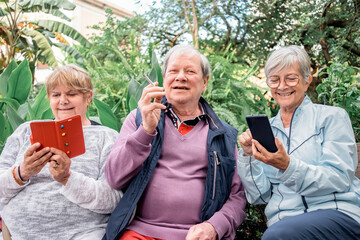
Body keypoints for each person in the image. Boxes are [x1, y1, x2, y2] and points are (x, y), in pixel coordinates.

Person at [103, 45, 246, 240]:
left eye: (190, 71)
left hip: (195, 236)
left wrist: (214, 226)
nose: (180, 77)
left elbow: (237, 196)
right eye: (173, 71)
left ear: (205, 82)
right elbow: (114, 177)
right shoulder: (138, 119)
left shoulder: (223, 135)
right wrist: (146, 131)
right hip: (141, 232)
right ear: (164, 79)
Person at [237, 45, 360, 239]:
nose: (282, 86)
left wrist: (288, 166)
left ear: (306, 80)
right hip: (284, 221)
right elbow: (260, 196)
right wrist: (248, 156)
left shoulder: (332, 117)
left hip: (337, 213)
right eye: (275, 79)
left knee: (276, 236)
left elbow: (338, 177)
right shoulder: (267, 130)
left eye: (291, 78)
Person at [0, 64, 122, 240]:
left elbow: (113, 199)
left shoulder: (107, 138)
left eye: (72, 94)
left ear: (88, 98)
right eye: (56, 95)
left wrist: (67, 178)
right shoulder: (25, 131)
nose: (63, 100)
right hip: (17, 234)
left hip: (81, 234)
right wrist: (22, 172)